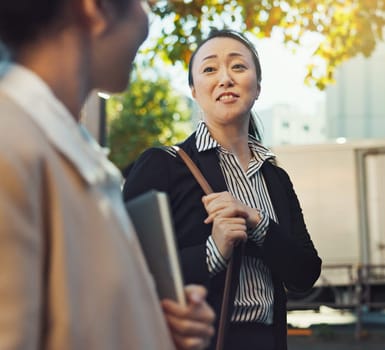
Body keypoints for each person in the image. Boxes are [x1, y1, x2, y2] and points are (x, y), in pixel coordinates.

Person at [0, 0, 216, 349]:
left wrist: (150, 321)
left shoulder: (68, 148)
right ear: (93, 8)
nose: (149, 19)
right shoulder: (11, 148)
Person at [122, 29, 322, 350]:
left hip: (268, 341)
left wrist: (257, 224)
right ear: (194, 90)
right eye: (210, 69)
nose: (225, 78)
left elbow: (305, 272)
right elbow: (127, 269)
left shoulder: (276, 178)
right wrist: (213, 251)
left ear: (257, 87)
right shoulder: (161, 165)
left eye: (238, 67)